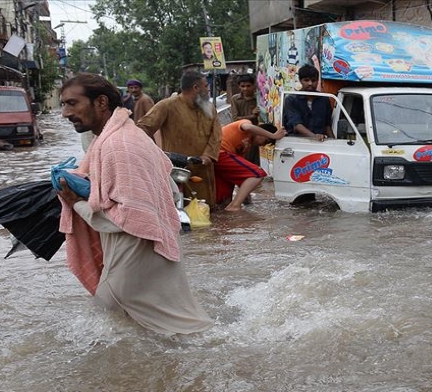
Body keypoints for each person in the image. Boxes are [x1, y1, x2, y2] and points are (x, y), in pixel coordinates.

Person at [55, 73, 212, 335]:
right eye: (64, 104)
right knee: (180, 329)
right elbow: (168, 191)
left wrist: (77, 203)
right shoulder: (126, 137)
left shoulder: (119, 145)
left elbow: (127, 216)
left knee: (106, 331)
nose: (65, 113)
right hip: (151, 255)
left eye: (72, 103)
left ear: (101, 102)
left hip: (130, 260)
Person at [137, 70, 221, 208]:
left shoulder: (209, 107)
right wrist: (152, 152)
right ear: (196, 88)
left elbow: (217, 135)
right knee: (177, 208)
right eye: (206, 86)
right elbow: (143, 128)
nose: (208, 89)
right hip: (177, 168)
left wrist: (208, 155)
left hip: (203, 168)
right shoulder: (167, 105)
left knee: (206, 210)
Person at [216, 120, 286, 211]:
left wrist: (246, 197)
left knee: (223, 200)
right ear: (262, 133)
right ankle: (234, 206)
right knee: (257, 173)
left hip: (220, 159)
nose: (262, 145)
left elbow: (241, 175)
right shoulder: (246, 124)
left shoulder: (247, 145)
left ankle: (230, 209)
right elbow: (249, 127)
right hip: (219, 152)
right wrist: (273, 136)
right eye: (265, 141)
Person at [283, 64, 333, 141]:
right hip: (297, 142)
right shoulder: (291, 100)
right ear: (300, 80)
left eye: (313, 80)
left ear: (318, 81)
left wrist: (333, 142)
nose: (310, 83)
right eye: (306, 80)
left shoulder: (324, 99)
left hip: (321, 143)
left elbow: (327, 125)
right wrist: (315, 136)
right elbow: (296, 124)